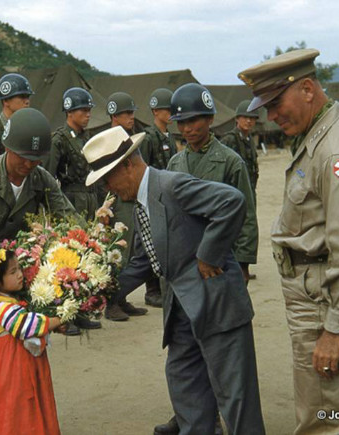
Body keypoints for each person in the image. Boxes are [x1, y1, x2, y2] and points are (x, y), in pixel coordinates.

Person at [239, 48, 339, 434]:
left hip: (329, 298)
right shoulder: (321, 134)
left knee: (322, 421)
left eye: (275, 103)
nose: (270, 116)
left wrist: (334, 330)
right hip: (327, 291)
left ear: (307, 89)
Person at [82, 126, 265, 435]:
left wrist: (209, 254)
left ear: (128, 165)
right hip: (182, 311)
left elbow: (231, 202)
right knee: (185, 384)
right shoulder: (142, 203)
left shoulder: (171, 185)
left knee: (235, 397)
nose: (107, 191)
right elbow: (142, 261)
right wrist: (100, 293)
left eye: (107, 180)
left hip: (216, 305)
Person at [0, 108, 80, 435]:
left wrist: (78, 245)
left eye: (36, 159)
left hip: (15, 283)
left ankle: (15, 418)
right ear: (7, 149)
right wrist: (9, 253)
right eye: (23, 157)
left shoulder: (41, 179)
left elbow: (67, 217)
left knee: (19, 353)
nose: (29, 165)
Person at [166, 84, 258, 285]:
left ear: (210, 119)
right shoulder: (175, 163)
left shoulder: (230, 161)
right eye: (181, 122)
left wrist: (243, 263)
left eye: (193, 120)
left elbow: (247, 215)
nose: (187, 129)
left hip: (221, 256)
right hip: (185, 258)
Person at [0, 247, 64, 435]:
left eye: (19, 269)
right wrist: (57, 320)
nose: (20, 275)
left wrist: (53, 325)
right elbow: (24, 325)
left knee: (34, 400)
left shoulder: (11, 297)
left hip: (24, 361)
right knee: (20, 404)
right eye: (12, 272)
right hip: (14, 364)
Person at [43, 86, 102, 334]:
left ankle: (81, 312)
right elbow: (47, 175)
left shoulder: (85, 138)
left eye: (89, 109)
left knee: (86, 259)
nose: (88, 114)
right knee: (67, 261)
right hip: (69, 200)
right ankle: (64, 316)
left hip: (88, 198)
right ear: (70, 111)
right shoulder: (59, 139)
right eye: (83, 110)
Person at [103, 92, 149, 320]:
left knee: (131, 251)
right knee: (116, 252)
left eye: (132, 112)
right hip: (116, 201)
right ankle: (110, 302)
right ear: (114, 115)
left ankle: (121, 298)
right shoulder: (108, 140)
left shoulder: (129, 137)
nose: (132, 117)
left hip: (132, 199)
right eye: (127, 113)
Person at [138, 88, 177, 308]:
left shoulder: (169, 137)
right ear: (155, 111)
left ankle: (163, 287)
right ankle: (152, 290)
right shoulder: (148, 137)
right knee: (150, 242)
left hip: (167, 194)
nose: (170, 113)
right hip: (151, 195)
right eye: (166, 109)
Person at [0, 73, 34, 160]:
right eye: (22, 97)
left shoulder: (28, 128)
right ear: (6, 101)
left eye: (28, 97)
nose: (27, 101)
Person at [221, 100, 260, 196]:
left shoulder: (250, 140)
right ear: (237, 119)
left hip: (249, 189)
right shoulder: (229, 140)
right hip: (233, 191)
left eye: (252, 118)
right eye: (245, 117)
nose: (248, 121)